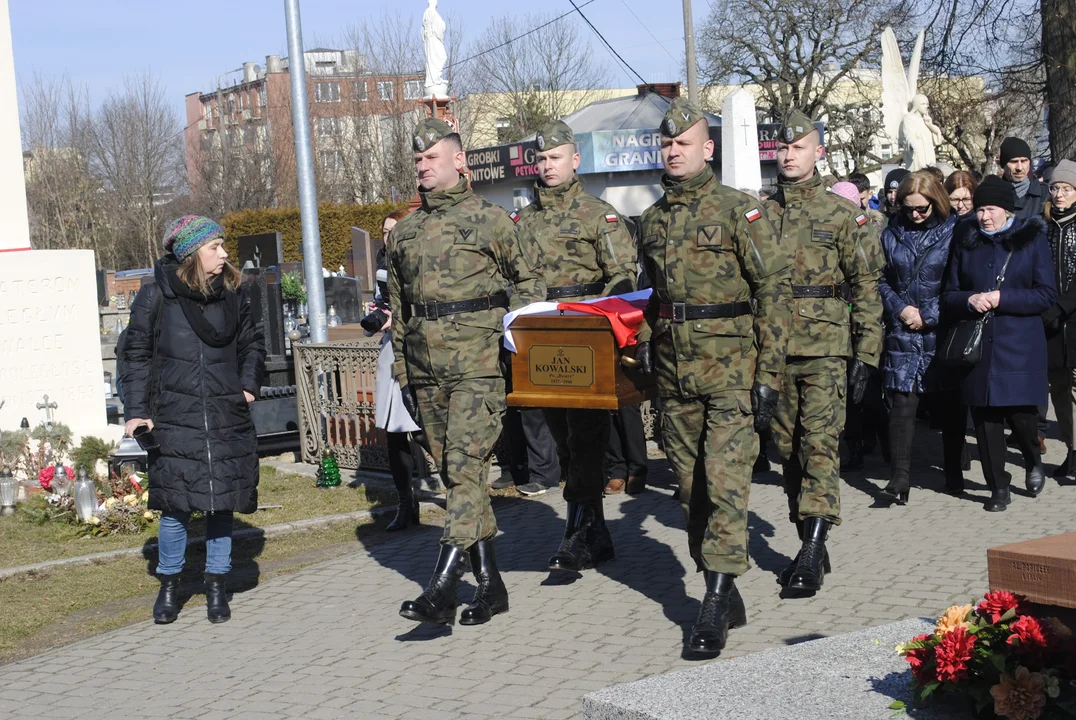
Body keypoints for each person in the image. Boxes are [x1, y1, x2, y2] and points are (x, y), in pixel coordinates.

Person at [635, 97, 793, 655]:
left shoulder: (737, 210)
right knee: (689, 489)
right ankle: (721, 588)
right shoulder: (651, 220)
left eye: (685, 143)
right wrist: (646, 347)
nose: (673, 151)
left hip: (732, 370)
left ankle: (712, 607)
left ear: (708, 149)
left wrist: (768, 373)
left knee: (726, 485)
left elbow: (773, 292)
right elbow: (651, 297)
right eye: (668, 143)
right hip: (676, 374)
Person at [389, 118, 545, 626]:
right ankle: (492, 586)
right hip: (425, 370)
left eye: (430, 157)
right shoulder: (405, 232)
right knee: (458, 477)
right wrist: (402, 369)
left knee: (464, 468)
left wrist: (507, 341)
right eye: (418, 159)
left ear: (459, 161)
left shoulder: (492, 220)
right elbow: (398, 305)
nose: (422, 166)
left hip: (477, 368)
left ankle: (442, 586)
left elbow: (530, 283)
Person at [121, 215, 266, 625]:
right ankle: (170, 585)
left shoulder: (235, 294)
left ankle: (216, 585)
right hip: (173, 414)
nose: (223, 254)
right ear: (190, 254)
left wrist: (247, 387)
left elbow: (252, 343)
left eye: (222, 246)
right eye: (214, 247)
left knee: (223, 502)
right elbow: (136, 356)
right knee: (176, 506)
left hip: (225, 412)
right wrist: (136, 412)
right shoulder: (155, 297)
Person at [764, 110, 884, 594]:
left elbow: (867, 286)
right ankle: (809, 535)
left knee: (819, 444)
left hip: (826, 349)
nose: (790, 155)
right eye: (784, 148)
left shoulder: (843, 215)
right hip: (773, 352)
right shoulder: (760, 215)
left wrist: (868, 352)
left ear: (820, 153)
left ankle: (812, 549)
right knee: (788, 449)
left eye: (799, 147)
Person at [514, 119, 637, 569]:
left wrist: (594, 312)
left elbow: (623, 275)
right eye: (541, 159)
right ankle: (595, 532)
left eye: (555, 158)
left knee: (585, 440)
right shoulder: (522, 221)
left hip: (586, 341)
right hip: (540, 341)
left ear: (574, 160)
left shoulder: (597, 214)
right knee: (563, 442)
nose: (547, 166)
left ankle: (576, 533)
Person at [942, 175, 1055, 511]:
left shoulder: (1032, 240)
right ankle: (998, 487)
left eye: (990, 209)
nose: (983, 216)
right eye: (980, 209)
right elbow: (948, 293)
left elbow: (1045, 294)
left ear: (1007, 210)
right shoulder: (964, 240)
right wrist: (970, 300)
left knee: (1021, 418)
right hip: (978, 347)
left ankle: (1033, 461)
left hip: (1019, 346)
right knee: (986, 419)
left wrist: (1002, 298)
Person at [876, 171, 962, 503]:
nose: (915, 215)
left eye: (922, 209)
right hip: (903, 329)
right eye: (909, 208)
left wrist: (929, 313)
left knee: (950, 404)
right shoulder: (891, 234)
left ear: (936, 202)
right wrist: (901, 309)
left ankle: (953, 472)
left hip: (942, 329)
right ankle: (899, 479)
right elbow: (881, 280)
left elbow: (959, 282)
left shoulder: (955, 231)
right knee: (902, 403)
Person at [371, 209, 424, 531]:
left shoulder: (417, 256)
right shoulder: (382, 263)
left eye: (394, 230)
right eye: (385, 231)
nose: (388, 236)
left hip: (417, 348)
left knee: (422, 427)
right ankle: (406, 504)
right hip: (391, 349)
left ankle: (461, 494)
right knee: (394, 432)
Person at [1042, 159, 1076, 480]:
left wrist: (1062, 306)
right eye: (1055, 188)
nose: (1060, 194)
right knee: (1060, 393)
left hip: (1073, 320)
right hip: (1051, 325)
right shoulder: (1044, 226)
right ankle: (1072, 450)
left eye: (1066, 188)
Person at [1000, 137, 1047, 220]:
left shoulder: (1045, 194)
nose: (1020, 167)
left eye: (1024, 161)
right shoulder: (992, 194)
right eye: (1014, 161)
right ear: (1004, 165)